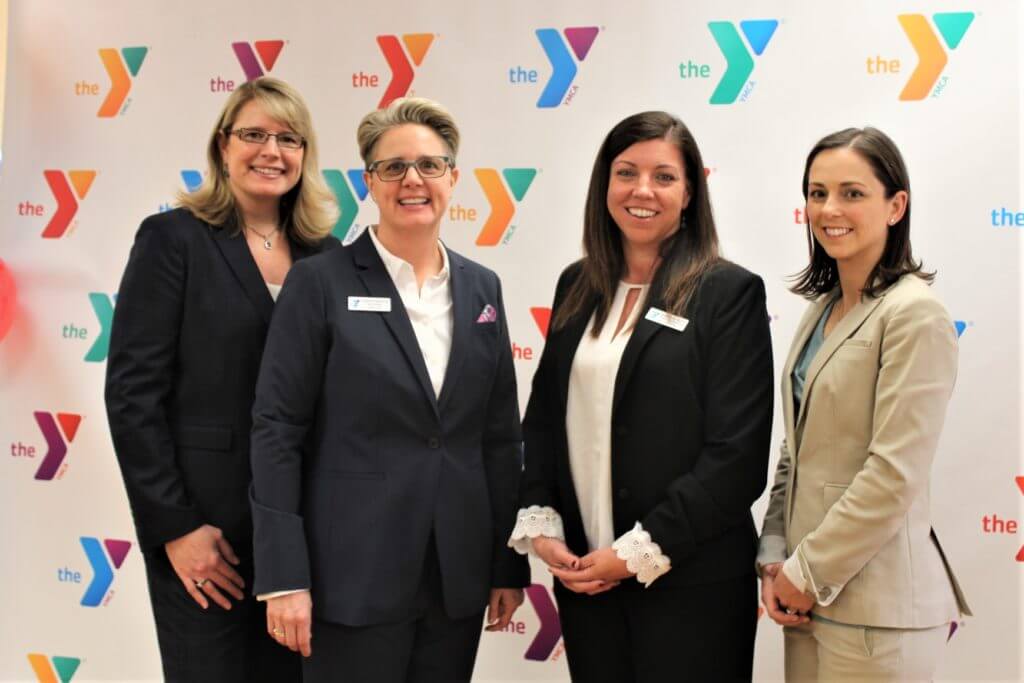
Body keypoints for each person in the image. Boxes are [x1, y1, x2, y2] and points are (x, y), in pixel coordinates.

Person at [249, 96, 529, 682]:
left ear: (453, 177)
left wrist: (507, 566)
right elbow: (277, 431)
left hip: (454, 576)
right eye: (393, 167)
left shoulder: (483, 288)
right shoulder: (318, 283)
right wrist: (282, 575)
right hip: (348, 576)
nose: (413, 180)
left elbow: (499, 437)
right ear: (369, 182)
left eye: (429, 165)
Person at [508, 111, 774, 682]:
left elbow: (737, 457)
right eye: (626, 172)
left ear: (689, 193)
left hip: (689, 585)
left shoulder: (727, 292)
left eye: (664, 176)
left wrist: (634, 554)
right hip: (586, 581)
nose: (642, 191)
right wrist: (546, 528)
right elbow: (544, 423)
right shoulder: (576, 284)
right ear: (605, 184)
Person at [104, 77, 339, 682]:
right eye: (253, 134)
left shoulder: (328, 256)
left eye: (288, 138)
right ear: (222, 146)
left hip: (303, 534)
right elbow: (133, 396)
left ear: (306, 156)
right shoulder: (173, 239)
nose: (271, 150)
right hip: (207, 536)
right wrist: (177, 529)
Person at [757, 127, 972, 681]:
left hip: (877, 610)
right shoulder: (821, 310)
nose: (830, 208)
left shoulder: (914, 314)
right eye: (817, 192)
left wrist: (805, 571)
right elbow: (796, 452)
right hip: (805, 599)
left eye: (852, 193)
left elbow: (893, 475)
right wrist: (774, 553)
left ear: (895, 205)